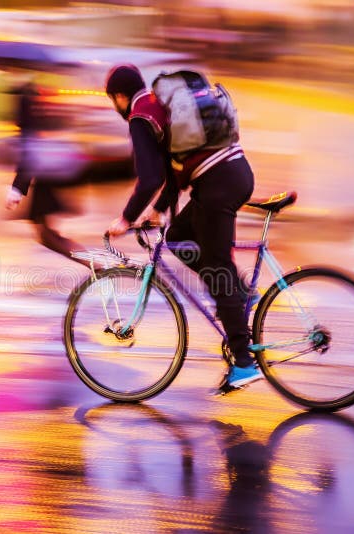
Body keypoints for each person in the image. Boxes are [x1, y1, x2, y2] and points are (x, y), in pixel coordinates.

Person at [104, 64, 261, 393]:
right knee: (178, 236)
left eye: (113, 100)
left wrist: (126, 219)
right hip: (231, 173)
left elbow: (150, 178)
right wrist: (158, 210)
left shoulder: (140, 117)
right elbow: (173, 174)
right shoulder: (160, 108)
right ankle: (238, 293)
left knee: (218, 267)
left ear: (119, 97)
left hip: (218, 183)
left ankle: (244, 363)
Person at [4, 80, 86, 265]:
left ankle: (93, 263)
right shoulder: (39, 118)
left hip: (46, 181)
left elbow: (28, 159)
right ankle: (92, 262)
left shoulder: (28, 119)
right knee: (45, 233)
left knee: (45, 234)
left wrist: (16, 190)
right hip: (48, 179)